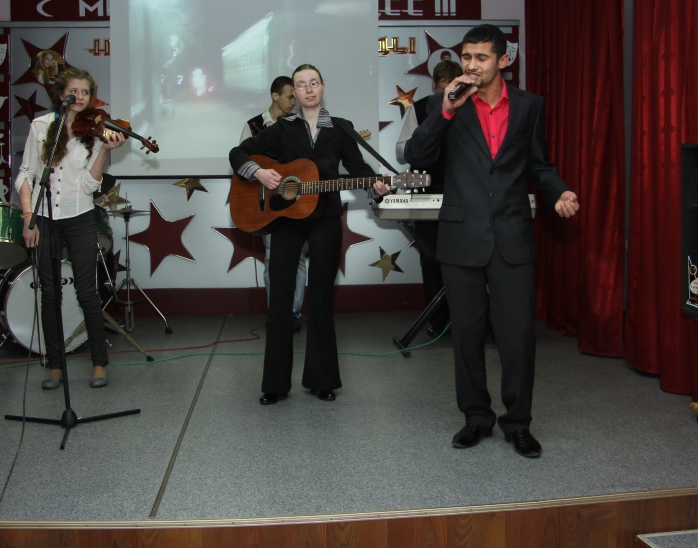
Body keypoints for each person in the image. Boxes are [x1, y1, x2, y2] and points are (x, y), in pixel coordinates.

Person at [404, 24, 579, 457]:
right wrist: (446, 111)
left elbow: (540, 165)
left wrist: (558, 192)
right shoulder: (443, 103)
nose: (471, 65)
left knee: (517, 336)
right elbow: (416, 156)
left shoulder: (529, 106)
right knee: (466, 335)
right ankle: (476, 418)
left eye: (481, 57)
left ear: (503, 60)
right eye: (466, 57)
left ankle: (518, 423)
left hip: (511, 234)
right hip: (461, 235)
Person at [230, 64, 391, 405]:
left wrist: (375, 185)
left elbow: (358, 168)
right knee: (280, 300)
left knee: (320, 298)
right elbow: (238, 153)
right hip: (286, 222)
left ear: (322, 86)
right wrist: (259, 173)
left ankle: (322, 379)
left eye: (313, 83)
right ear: (295, 92)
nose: (308, 89)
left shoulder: (341, 128)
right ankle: (274, 384)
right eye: (301, 85)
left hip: (326, 219)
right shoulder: (282, 127)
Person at [16, 67, 127, 389]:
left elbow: (90, 186)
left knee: (87, 292)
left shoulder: (93, 132)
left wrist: (103, 151)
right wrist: (28, 216)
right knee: (49, 295)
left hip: (79, 216)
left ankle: (99, 363)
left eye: (85, 92)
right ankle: (55, 365)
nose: (80, 97)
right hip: (43, 217)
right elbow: (26, 174)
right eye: (74, 91)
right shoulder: (41, 126)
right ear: (61, 94)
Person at [395, 59, 462, 337]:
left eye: (450, 91)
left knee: (461, 260)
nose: (444, 96)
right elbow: (402, 152)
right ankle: (438, 321)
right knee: (432, 260)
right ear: (433, 84)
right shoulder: (420, 108)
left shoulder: (469, 107)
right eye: (440, 91)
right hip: (427, 193)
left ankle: (463, 321)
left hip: (461, 194)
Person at [240, 76, 308, 332]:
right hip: (267, 204)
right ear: (275, 96)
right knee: (272, 259)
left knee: (298, 258)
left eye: (296, 97)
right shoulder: (253, 126)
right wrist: (260, 177)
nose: (294, 101)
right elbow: (241, 164)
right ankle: (276, 313)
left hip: (296, 201)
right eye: (290, 96)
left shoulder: (300, 126)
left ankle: (293, 314)